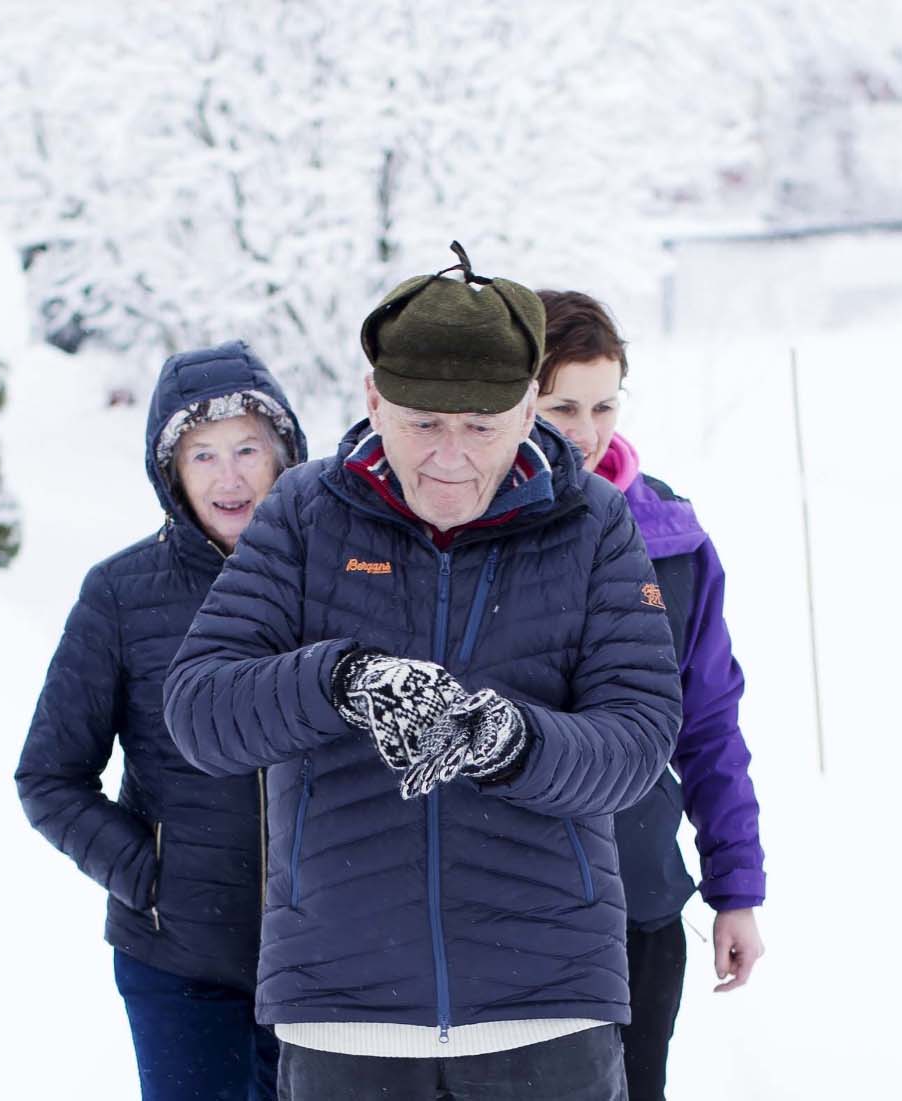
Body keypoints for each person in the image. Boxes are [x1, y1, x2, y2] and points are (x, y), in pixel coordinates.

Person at [163, 245, 683, 1101]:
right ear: (373, 399)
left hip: (545, 1004)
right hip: (344, 1003)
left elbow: (636, 737)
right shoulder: (303, 513)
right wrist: (341, 681)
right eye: (420, 424)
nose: (449, 457)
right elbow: (199, 710)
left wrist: (512, 739)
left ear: (526, 410)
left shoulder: (592, 523)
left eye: (479, 426)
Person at [16, 341, 308, 1101]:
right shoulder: (121, 593)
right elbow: (49, 777)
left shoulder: (335, 577)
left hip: (328, 965)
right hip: (179, 964)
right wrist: (150, 875)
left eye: (248, 447)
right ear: (170, 471)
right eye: (202, 454)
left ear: (284, 455)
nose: (230, 475)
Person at [534, 290, 766, 1101]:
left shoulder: (671, 539)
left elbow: (707, 725)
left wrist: (734, 887)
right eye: (561, 404)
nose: (585, 430)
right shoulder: (470, 532)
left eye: (602, 404)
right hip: (512, 917)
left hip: (639, 901)